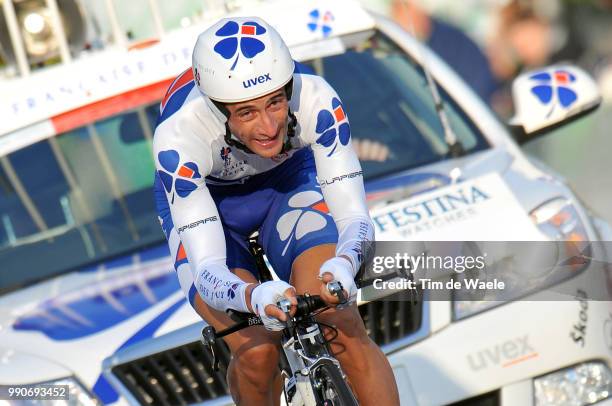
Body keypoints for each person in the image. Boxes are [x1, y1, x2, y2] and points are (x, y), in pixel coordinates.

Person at [152, 16, 400, 406]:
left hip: (286, 183)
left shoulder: (316, 98)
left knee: (339, 316)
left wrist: (345, 264)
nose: (269, 127)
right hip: (213, 207)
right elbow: (207, 271)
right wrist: (252, 297)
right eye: (246, 112)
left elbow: (355, 219)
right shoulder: (179, 137)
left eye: (275, 103)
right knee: (257, 351)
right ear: (218, 112)